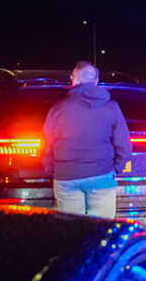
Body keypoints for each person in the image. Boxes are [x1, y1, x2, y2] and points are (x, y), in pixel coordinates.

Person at [42, 62, 132, 219]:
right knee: (100, 231)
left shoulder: (58, 108)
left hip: (67, 177)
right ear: (96, 81)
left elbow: (46, 145)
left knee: (71, 231)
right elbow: (123, 145)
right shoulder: (111, 107)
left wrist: (54, 170)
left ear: (74, 80)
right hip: (101, 176)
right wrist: (114, 169)